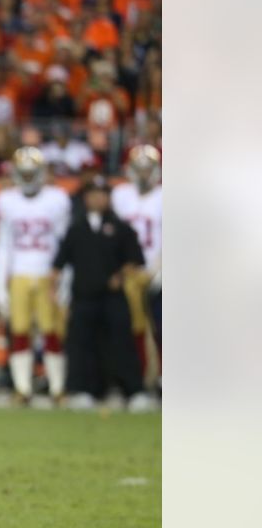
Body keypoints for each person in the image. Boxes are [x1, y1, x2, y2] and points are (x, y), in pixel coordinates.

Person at [51, 176, 151, 411]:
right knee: (80, 344)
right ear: (85, 198)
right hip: (83, 297)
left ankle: (133, 390)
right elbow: (60, 261)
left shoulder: (120, 227)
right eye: (92, 194)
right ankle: (81, 389)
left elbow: (136, 258)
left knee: (122, 343)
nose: (97, 198)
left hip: (112, 297)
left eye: (102, 194)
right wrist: (53, 288)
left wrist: (120, 275)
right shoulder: (76, 229)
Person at [0, 147, 71, 404]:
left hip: (48, 272)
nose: (27, 179)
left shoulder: (57, 199)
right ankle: (22, 388)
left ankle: (57, 388)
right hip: (19, 273)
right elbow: (2, 244)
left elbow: (64, 243)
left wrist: (66, 279)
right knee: (19, 331)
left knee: (52, 331)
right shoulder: (5, 200)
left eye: (31, 174)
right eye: (23, 174)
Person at [110, 145, 162, 383]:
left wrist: (159, 269)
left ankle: (163, 379)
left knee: (163, 328)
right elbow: (115, 236)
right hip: (130, 272)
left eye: (147, 169)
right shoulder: (120, 195)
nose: (143, 174)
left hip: (160, 272)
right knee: (133, 329)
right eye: (139, 169)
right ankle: (139, 378)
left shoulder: (165, 195)